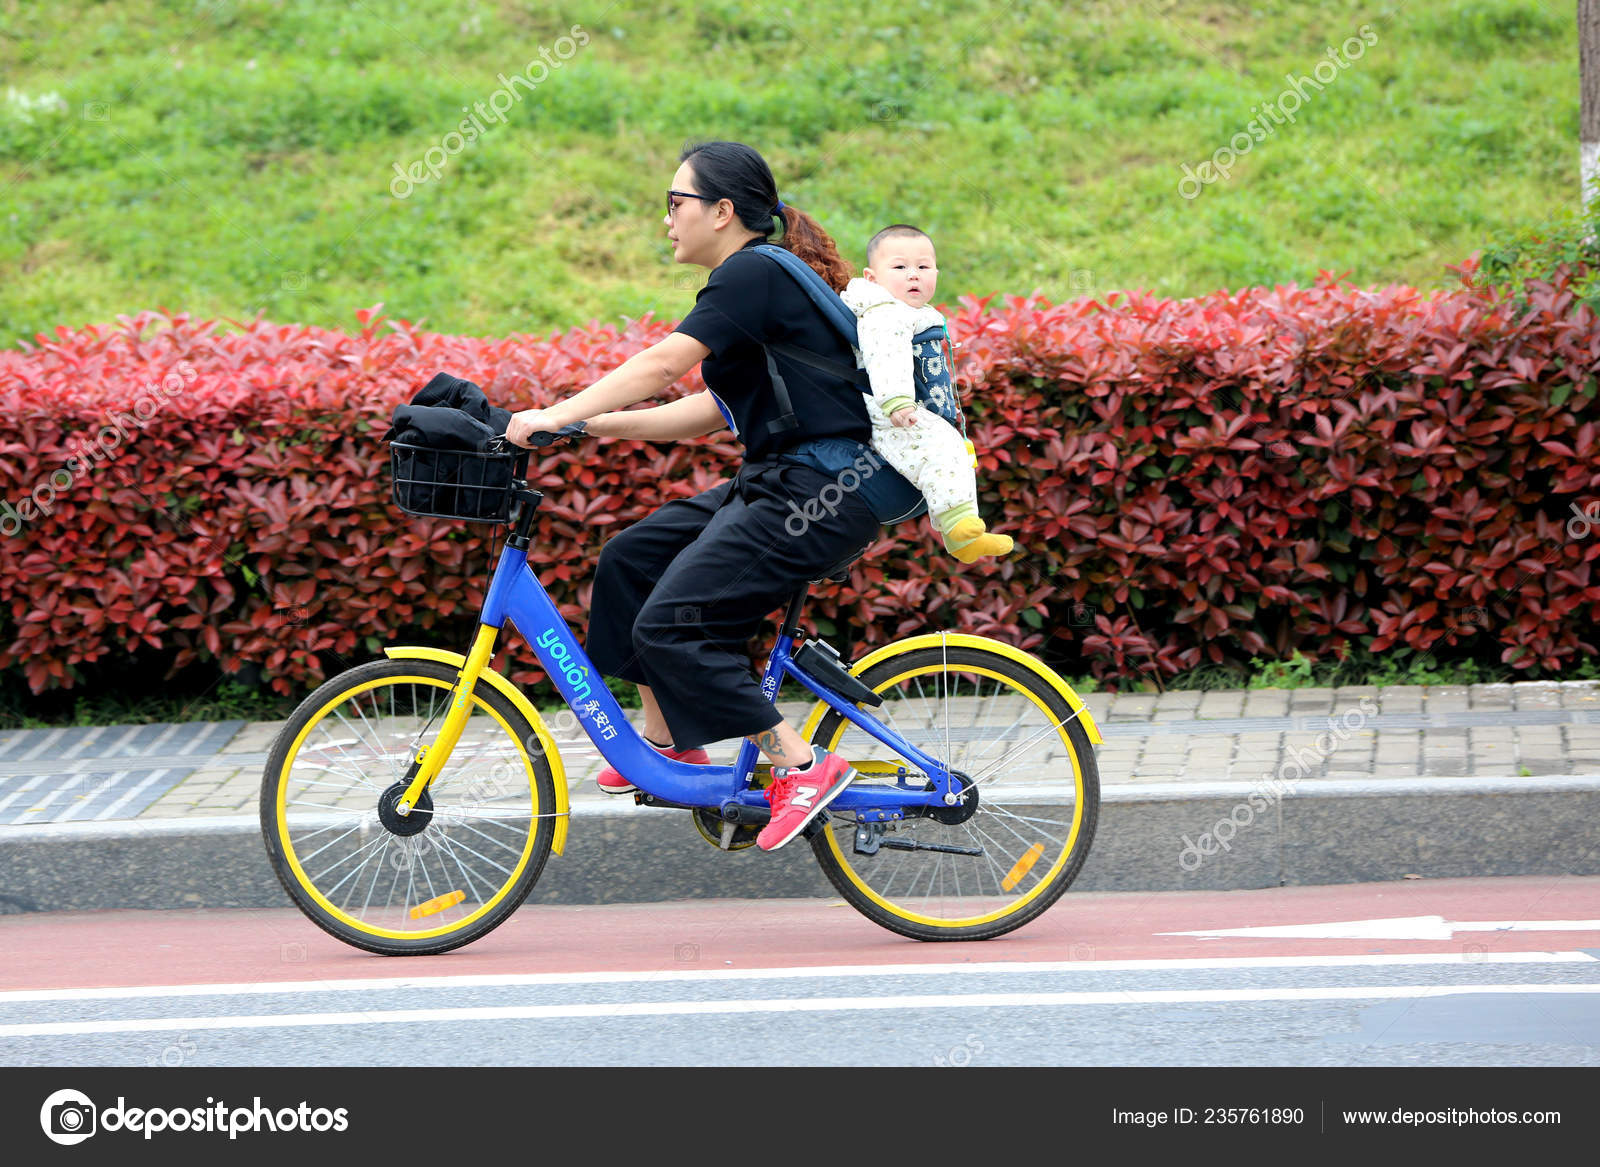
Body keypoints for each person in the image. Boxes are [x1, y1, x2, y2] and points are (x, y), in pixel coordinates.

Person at [505, 140, 875, 852]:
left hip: (819, 490)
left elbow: (664, 362)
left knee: (674, 625)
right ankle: (671, 743)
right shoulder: (755, 280)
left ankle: (800, 762)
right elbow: (709, 410)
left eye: (677, 203)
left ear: (724, 211)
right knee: (630, 560)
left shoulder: (752, 273)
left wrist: (557, 411)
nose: (667, 219)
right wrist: (589, 424)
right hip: (782, 481)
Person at [840, 224, 1013, 562]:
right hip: (892, 411)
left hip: (913, 406)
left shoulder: (907, 310)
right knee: (943, 452)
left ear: (937, 272)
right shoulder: (884, 312)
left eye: (923, 267)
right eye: (900, 267)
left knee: (954, 455)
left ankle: (963, 535)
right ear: (872, 277)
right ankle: (960, 531)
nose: (913, 275)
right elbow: (885, 354)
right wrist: (896, 400)